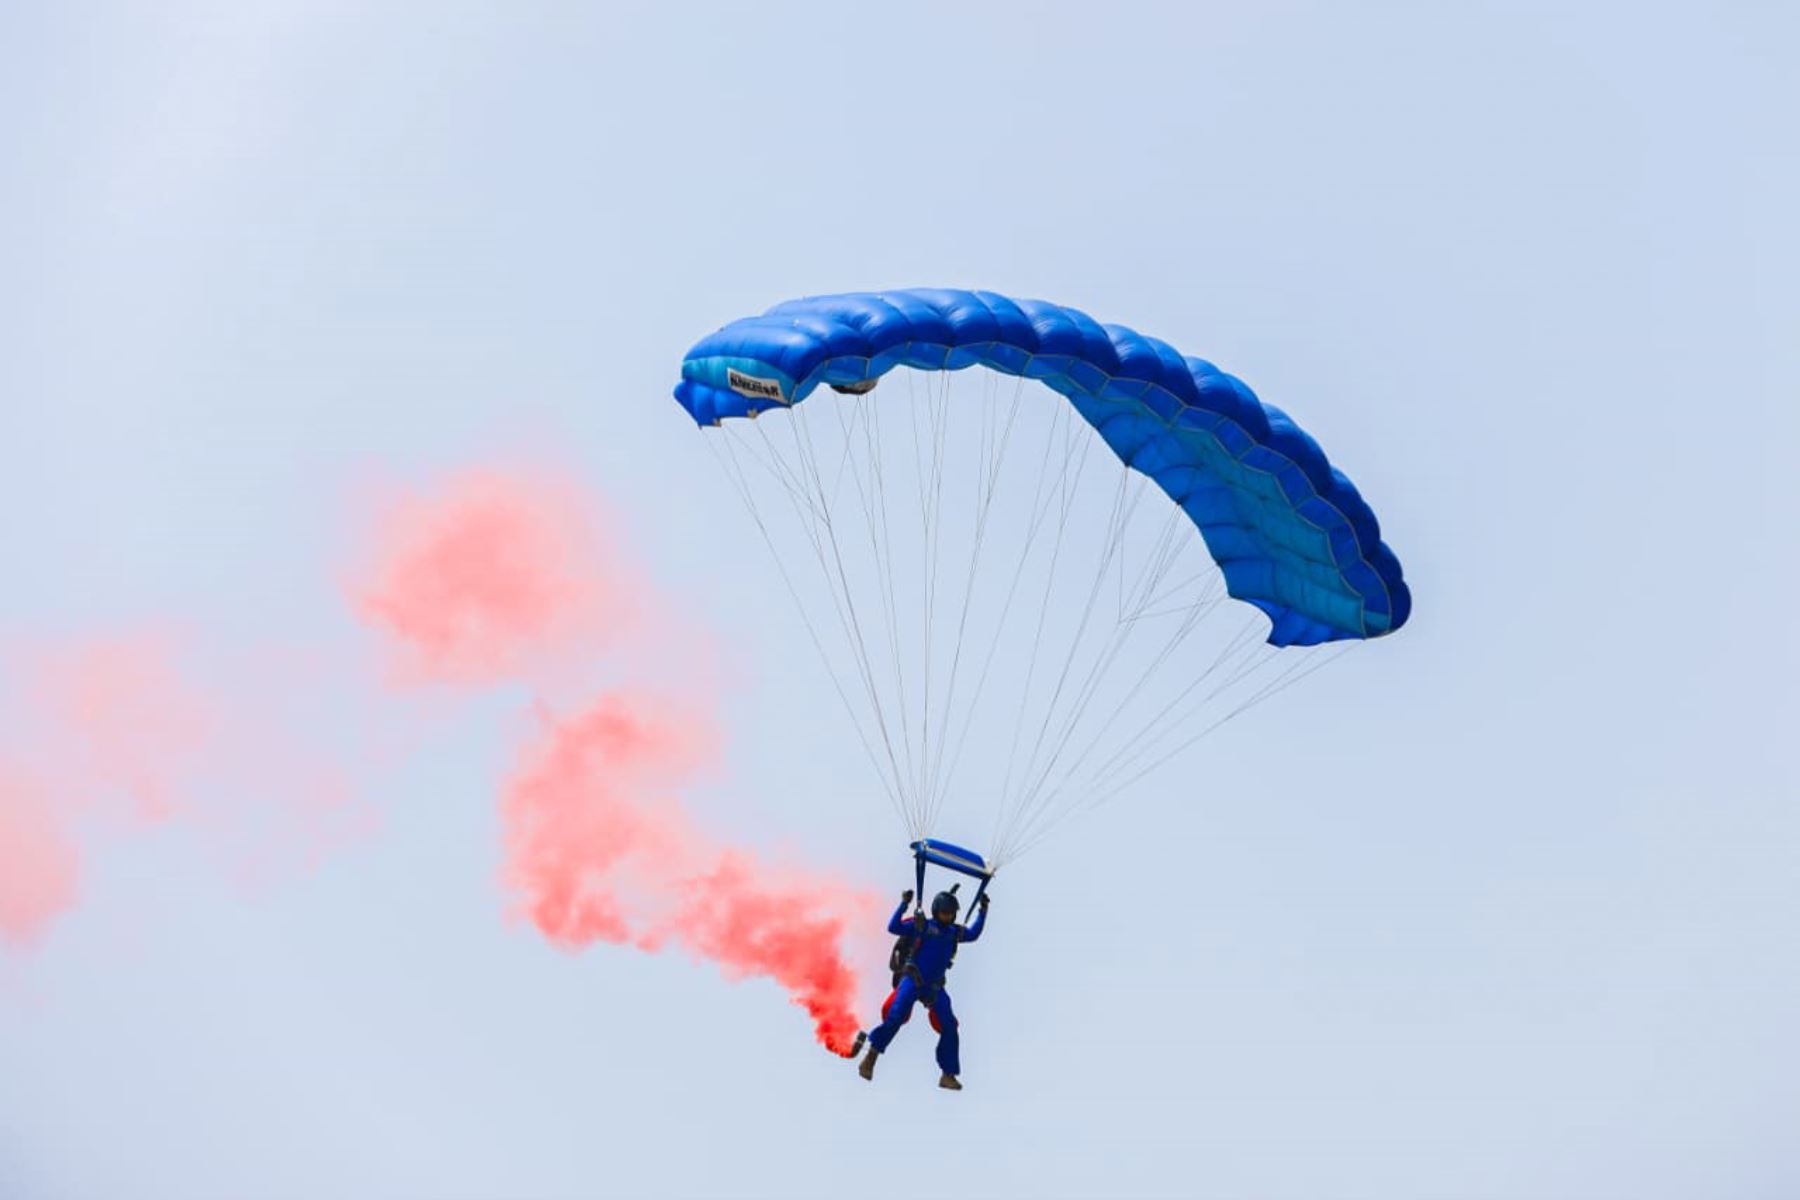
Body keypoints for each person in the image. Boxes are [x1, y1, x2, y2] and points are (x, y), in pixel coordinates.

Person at [858, 886, 990, 1090]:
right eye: (945, 912)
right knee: (896, 1016)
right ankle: (871, 1056)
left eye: (951, 913)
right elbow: (893, 927)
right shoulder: (922, 925)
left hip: (934, 987)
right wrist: (904, 904)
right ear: (937, 911)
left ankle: (948, 1075)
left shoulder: (954, 932)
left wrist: (983, 911)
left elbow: (973, 934)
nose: (948, 916)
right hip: (913, 979)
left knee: (950, 1026)